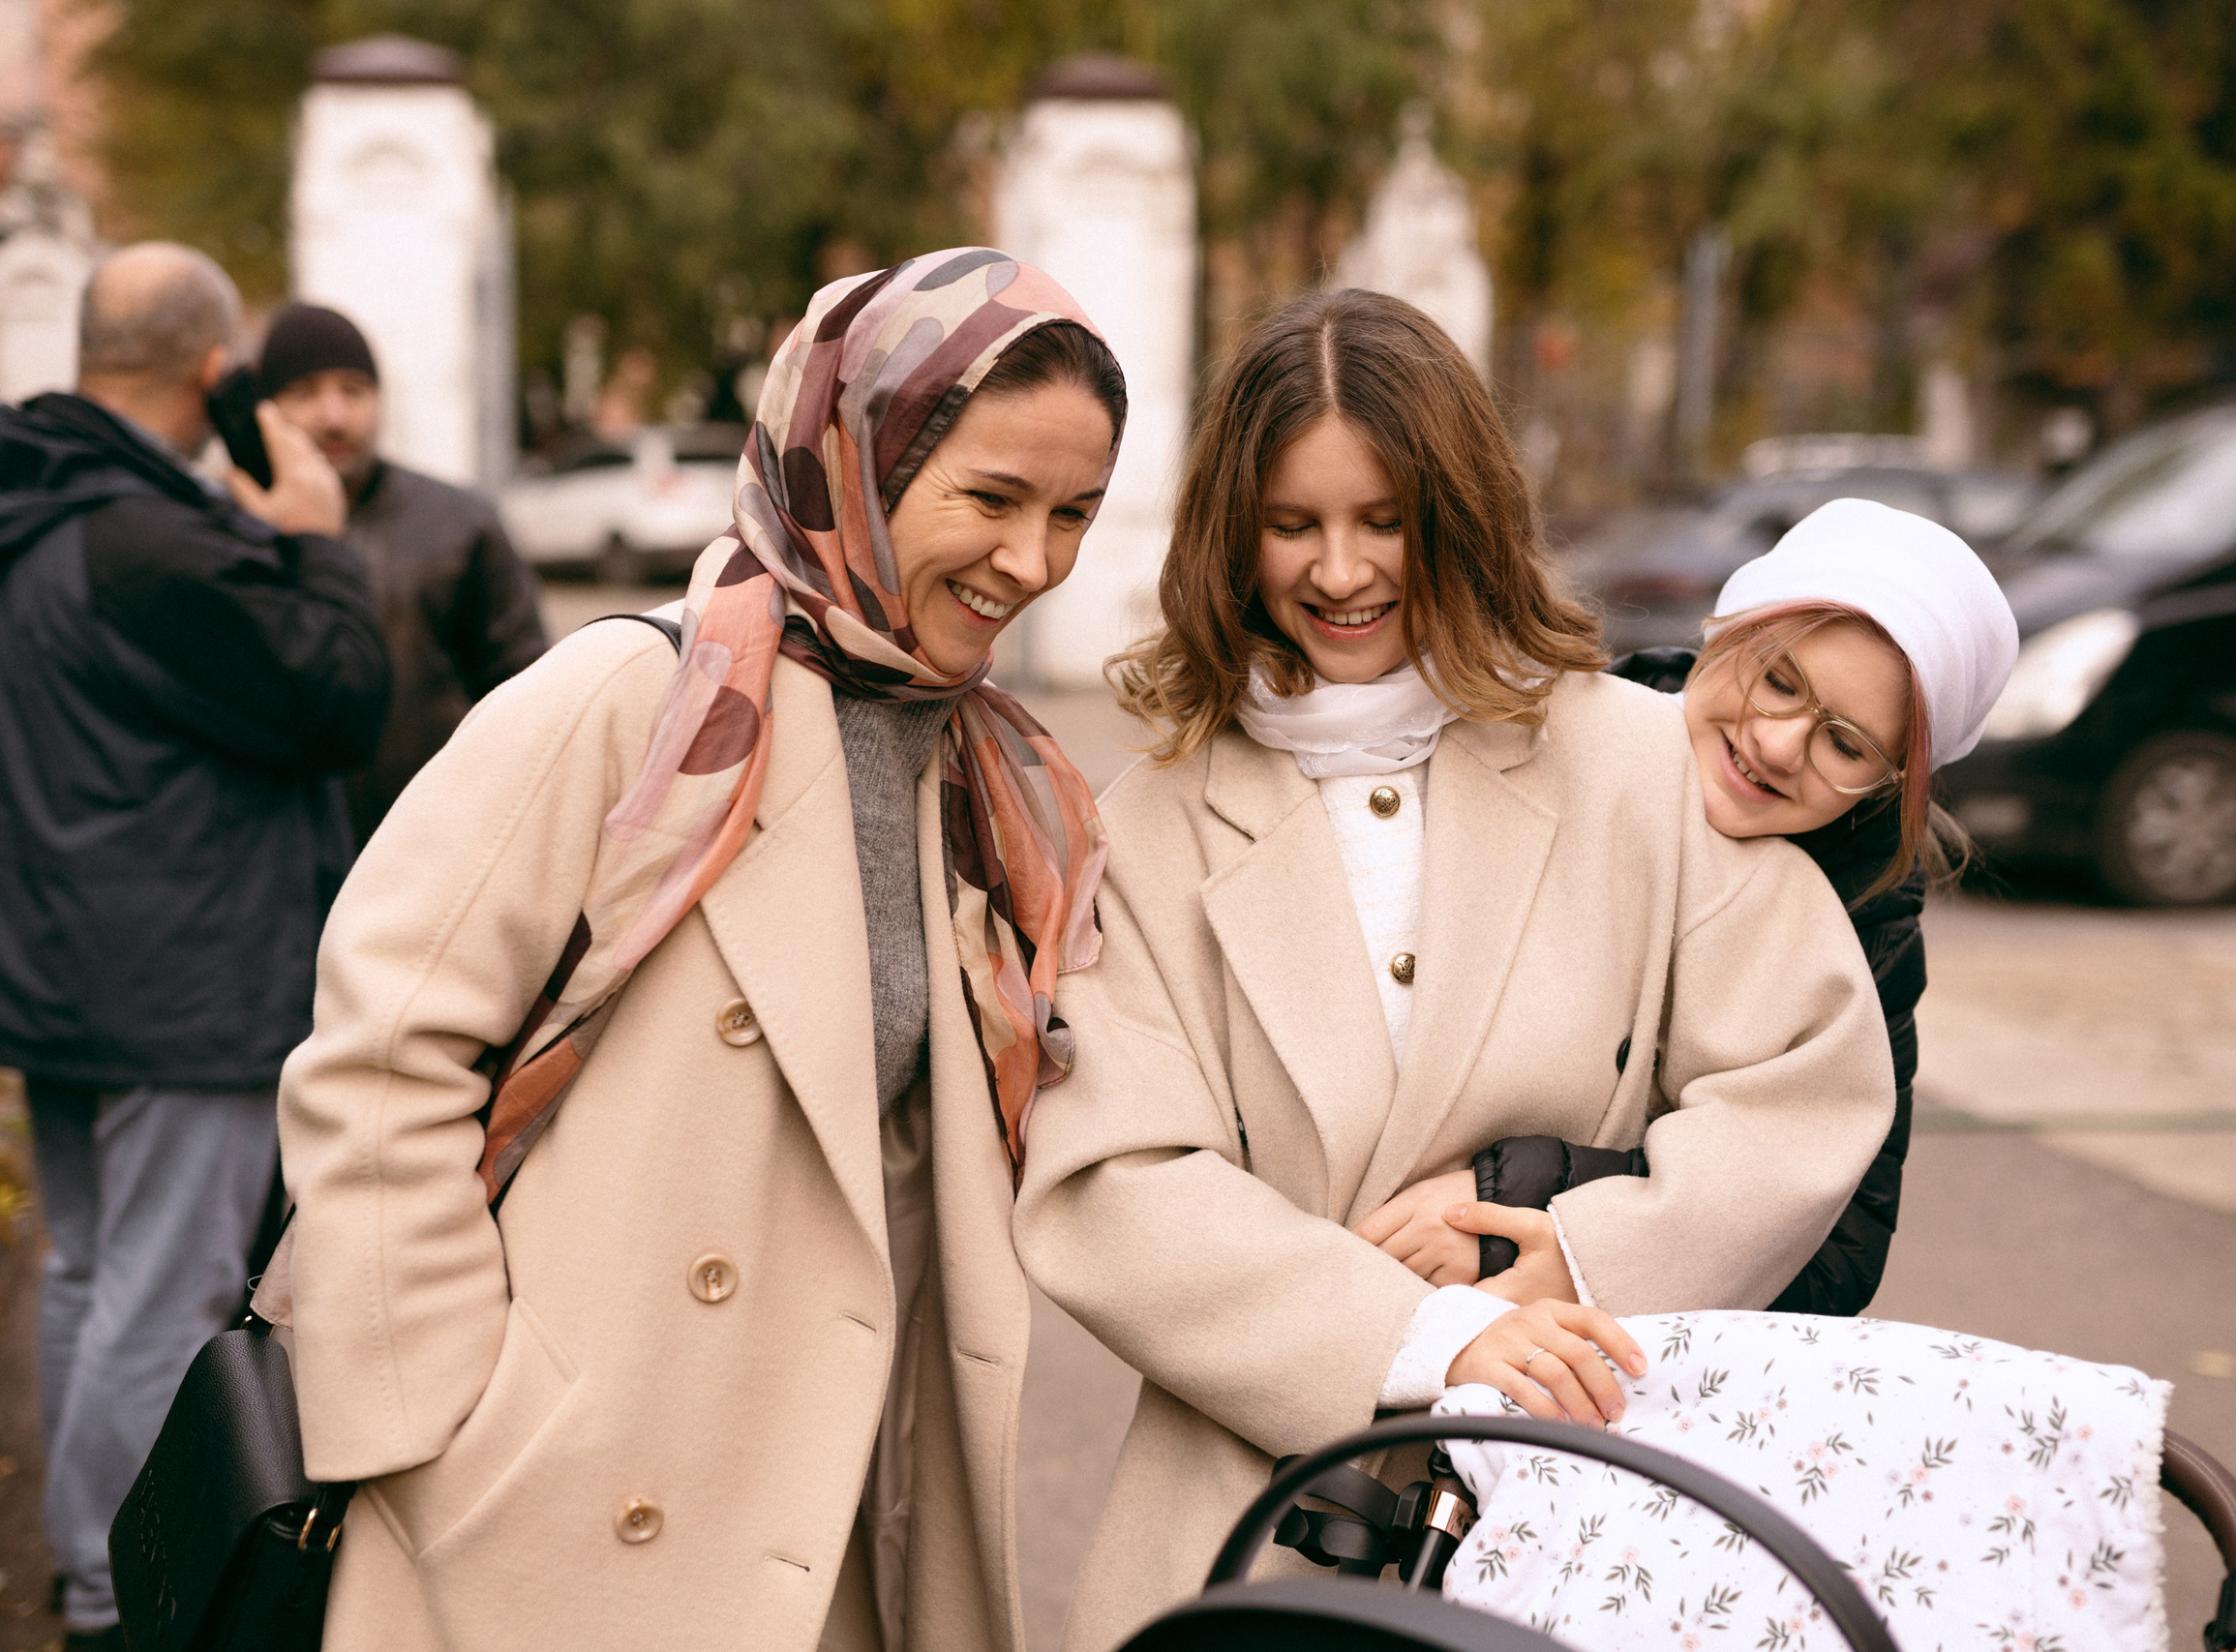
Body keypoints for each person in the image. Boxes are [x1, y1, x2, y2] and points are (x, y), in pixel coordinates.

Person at [1011, 288, 1897, 1652]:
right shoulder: (1148, 825)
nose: (1342, 569)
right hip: (1257, 1513)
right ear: (1230, 534)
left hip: (1588, 1498)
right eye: (1292, 523)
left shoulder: (1639, 762)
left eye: (1385, 520)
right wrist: (1418, 1336)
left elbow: (1805, 1079)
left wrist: (1583, 1256)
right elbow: (1110, 1180)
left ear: (1461, 514)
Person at [273, 249, 1122, 1651]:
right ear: (854, 457)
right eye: (991, 497)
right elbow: (378, 1053)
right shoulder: (636, 698)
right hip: (543, 1529)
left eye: (1075, 511)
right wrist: (442, 1427)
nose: (1034, 561)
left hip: (821, 1522)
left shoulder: (984, 773)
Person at [0, 242, 388, 1649]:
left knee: (90, 1269)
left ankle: (87, 1573)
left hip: (47, 967)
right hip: (181, 982)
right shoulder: (152, 538)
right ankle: (124, 1599)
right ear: (220, 372)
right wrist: (317, 535)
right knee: (161, 1291)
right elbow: (334, 695)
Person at [1370, 497, 2020, 1316]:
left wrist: (1541, 1221)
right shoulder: (1537, 744)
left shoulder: (1863, 918)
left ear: (1893, 781)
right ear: (1726, 628)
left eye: (1846, 744)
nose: (1780, 743)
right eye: (1779, 680)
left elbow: (1841, 1240)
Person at [259, 302, 550, 842]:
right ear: (266, 411)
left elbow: (530, 694)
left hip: (436, 847)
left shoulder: (461, 522)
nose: (334, 417)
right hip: (284, 860)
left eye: (353, 390)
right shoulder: (233, 531)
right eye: (305, 393)